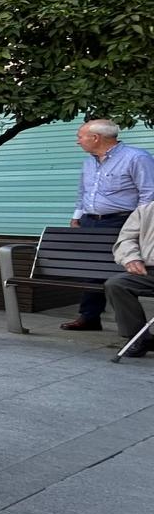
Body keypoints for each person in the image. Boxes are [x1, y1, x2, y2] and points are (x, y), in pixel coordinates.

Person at [60, 119, 154, 331]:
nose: (77, 141)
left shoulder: (136, 157)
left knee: (118, 269)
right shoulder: (89, 161)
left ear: (96, 138)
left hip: (122, 221)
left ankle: (130, 324)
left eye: (80, 136)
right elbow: (82, 192)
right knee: (90, 268)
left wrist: (139, 224)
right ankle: (89, 317)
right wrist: (77, 216)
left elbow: (149, 193)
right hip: (90, 221)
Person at [104, 200, 154, 358]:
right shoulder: (146, 210)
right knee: (116, 284)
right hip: (149, 270)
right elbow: (126, 239)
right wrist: (132, 258)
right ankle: (138, 338)